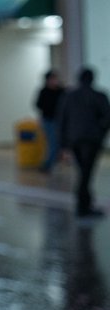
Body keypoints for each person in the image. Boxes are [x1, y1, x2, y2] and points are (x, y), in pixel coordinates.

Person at [58, 67, 110, 218]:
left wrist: (63, 144)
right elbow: (107, 117)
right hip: (91, 140)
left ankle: (85, 204)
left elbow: (62, 120)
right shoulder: (98, 96)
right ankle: (83, 206)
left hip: (75, 140)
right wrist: (100, 133)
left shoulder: (69, 96)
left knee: (84, 173)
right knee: (86, 174)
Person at [35, 70, 64, 173]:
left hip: (59, 120)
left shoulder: (61, 91)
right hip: (48, 120)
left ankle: (52, 161)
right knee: (53, 142)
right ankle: (47, 164)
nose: (54, 81)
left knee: (57, 143)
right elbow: (38, 104)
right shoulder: (44, 91)